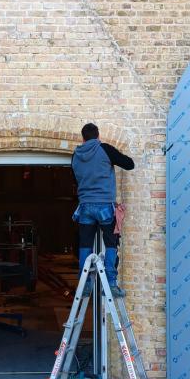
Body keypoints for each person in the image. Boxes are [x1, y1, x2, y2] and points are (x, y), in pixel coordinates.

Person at [71, 123, 134, 298]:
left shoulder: (75, 155)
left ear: (83, 139)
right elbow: (129, 164)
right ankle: (111, 284)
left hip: (85, 207)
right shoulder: (104, 149)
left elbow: (75, 179)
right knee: (111, 243)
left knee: (85, 244)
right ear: (98, 136)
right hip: (105, 205)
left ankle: (85, 285)